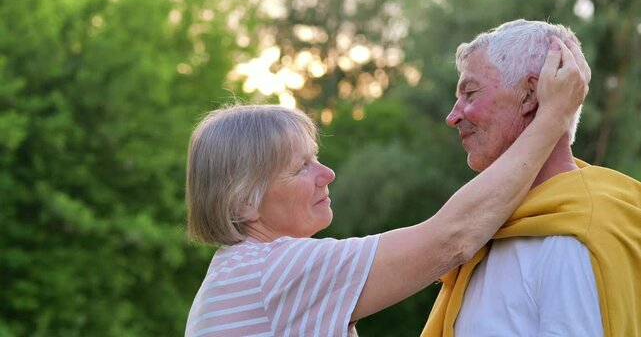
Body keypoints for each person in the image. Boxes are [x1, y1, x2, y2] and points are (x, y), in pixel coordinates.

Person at [183, 38, 588, 337]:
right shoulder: (269, 273)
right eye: (300, 167)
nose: (327, 174)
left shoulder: (243, 273)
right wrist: (553, 116)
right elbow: (450, 238)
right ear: (244, 202)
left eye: (316, 158)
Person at [421, 19, 641, 337]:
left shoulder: (570, 238)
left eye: (470, 93)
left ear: (530, 96)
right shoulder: (497, 226)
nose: (452, 116)